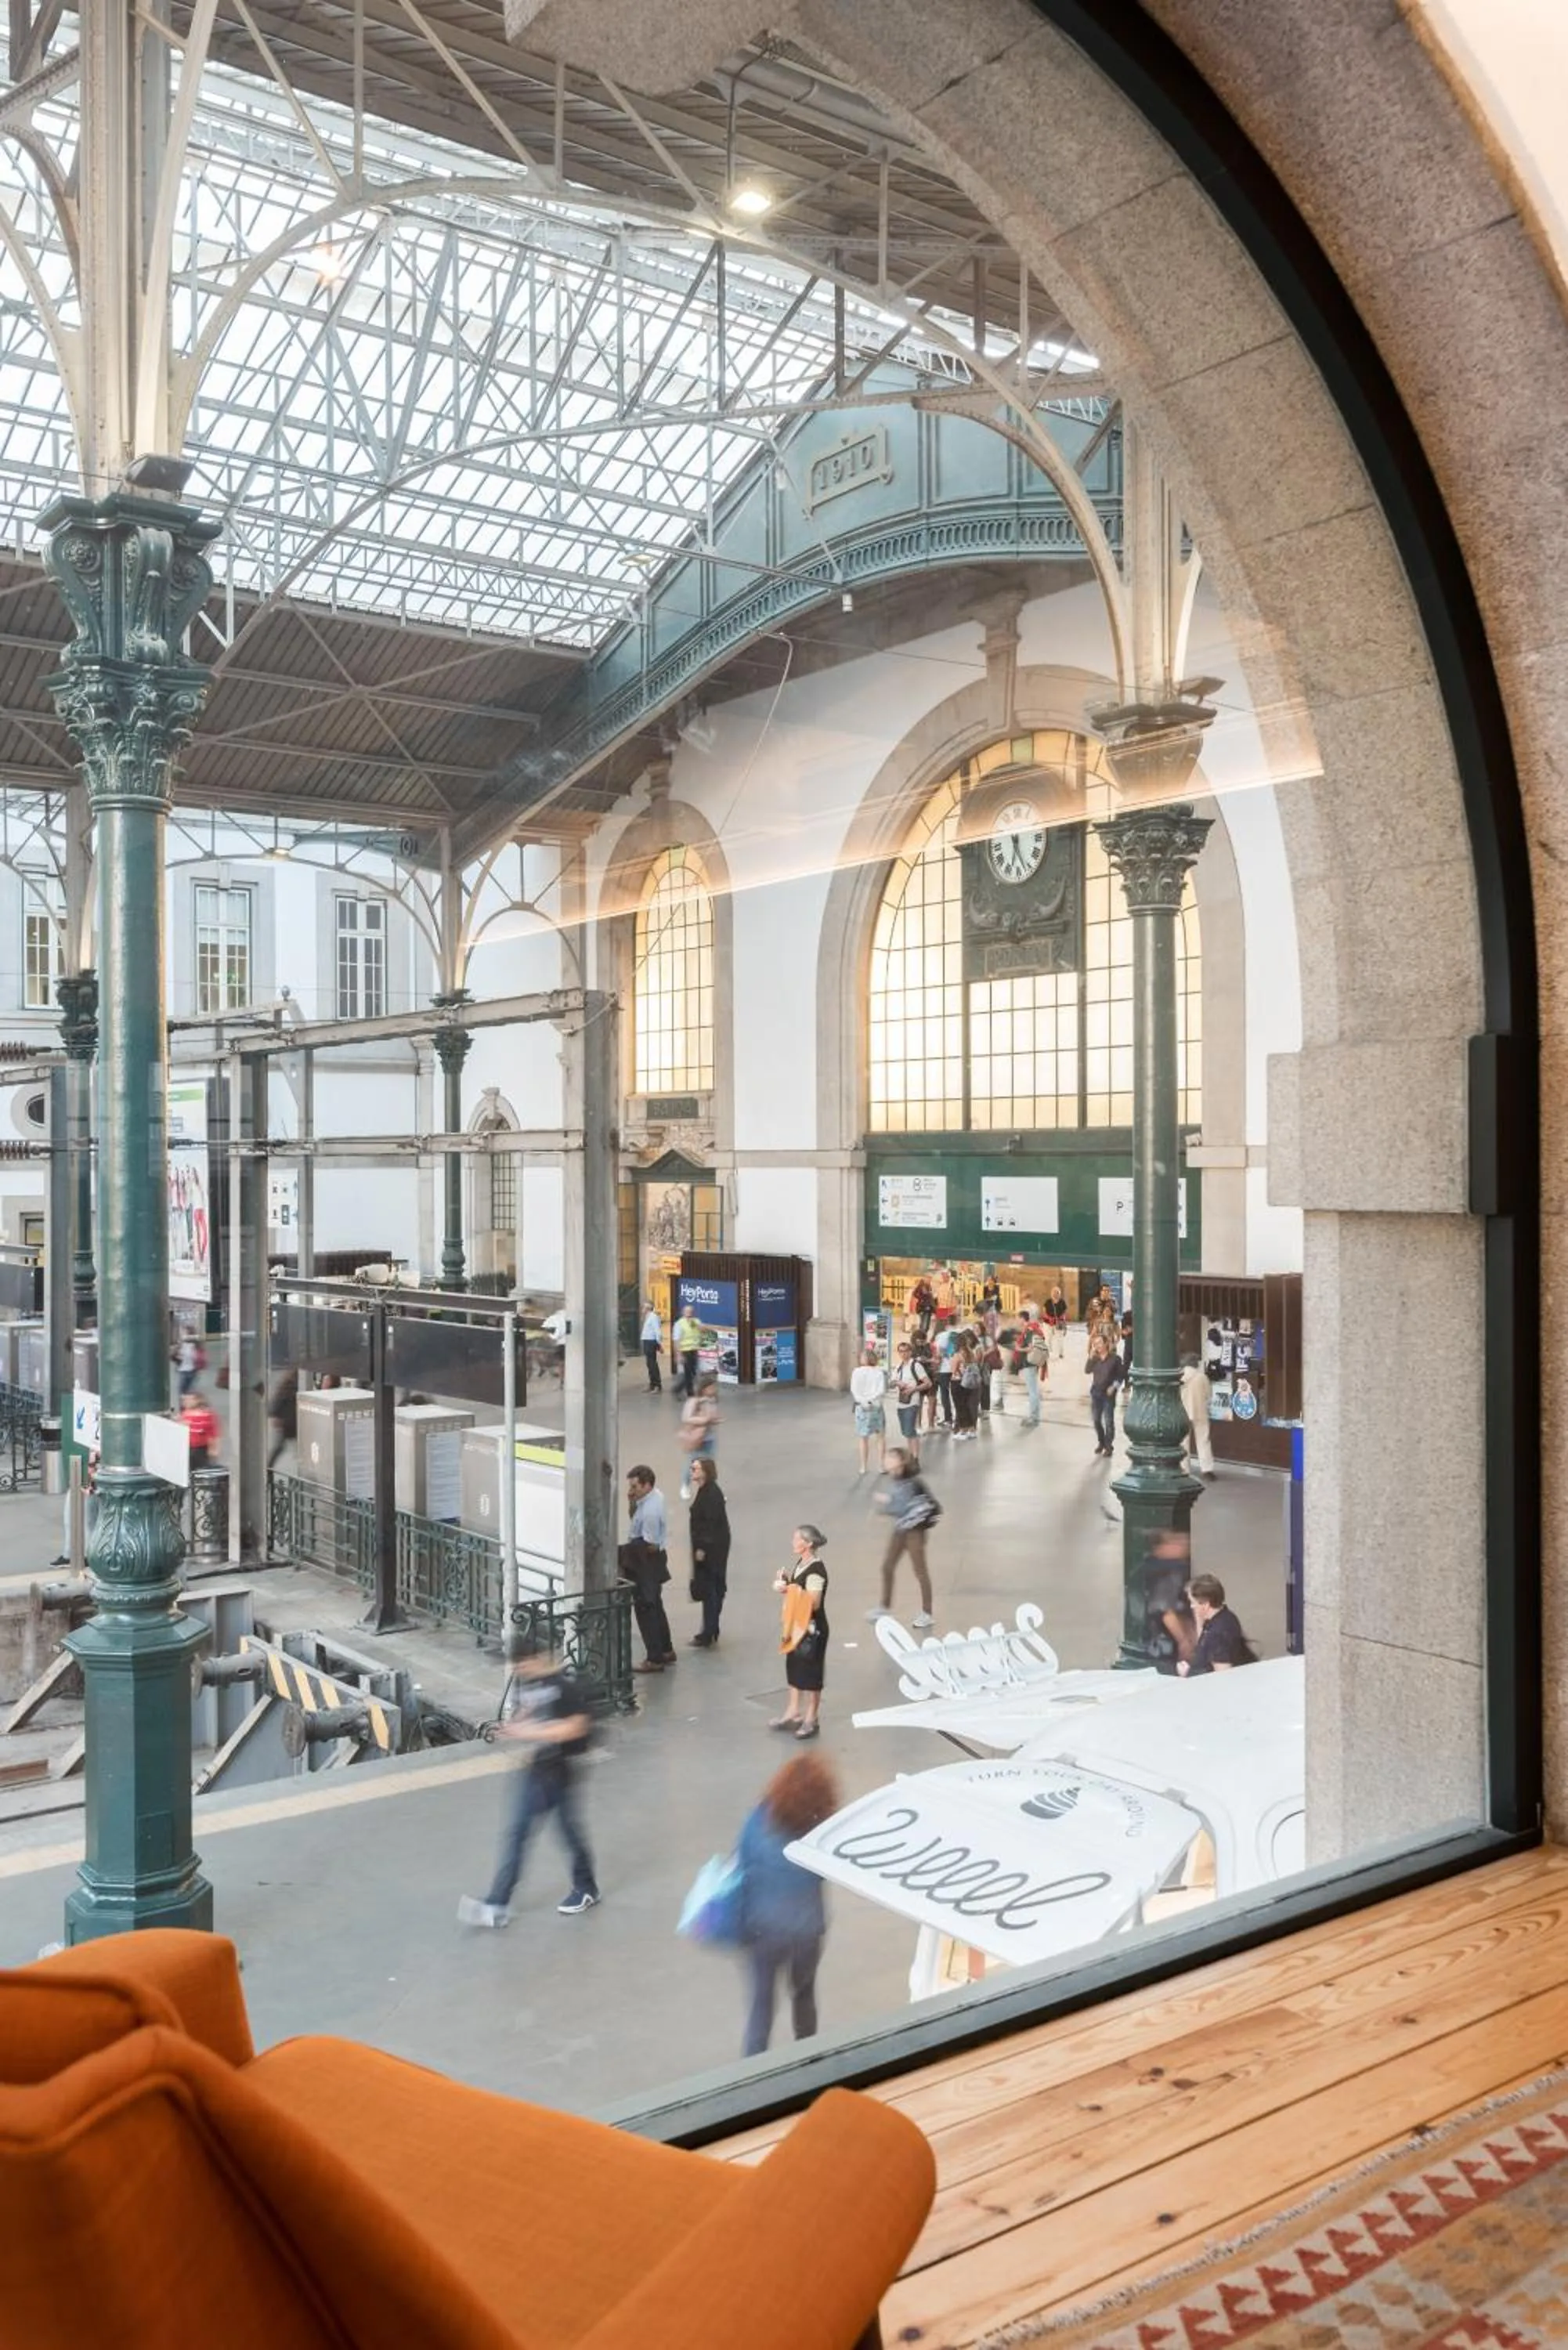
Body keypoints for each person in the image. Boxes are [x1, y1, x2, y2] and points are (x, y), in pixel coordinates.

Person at [457, 1630, 600, 1926]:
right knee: (520, 1833)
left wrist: (528, 1732)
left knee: (565, 1832)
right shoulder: (529, 1680)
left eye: (523, 1666)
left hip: (562, 1767)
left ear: (536, 1659)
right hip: (539, 1767)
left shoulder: (566, 1687)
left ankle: (585, 1888)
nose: (520, 1673)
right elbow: (529, 1707)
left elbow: (573, 1729)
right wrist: (512, 1726)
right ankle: (498, 1904)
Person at [733, 1755, 840, 2057]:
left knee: (761, 2007)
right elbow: (824, 1873)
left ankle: (752, 2073)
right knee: (804, 1995)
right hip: (806, 1932)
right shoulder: (820, 1832)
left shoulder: (758, 1819)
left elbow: (741, 1866)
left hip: (761, 1929)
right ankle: (807, 2059)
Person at [870, 1445, 938, 1626]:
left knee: (920, 1571)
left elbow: (901, 1507)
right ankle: (884, 1607)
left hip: (915, 1532)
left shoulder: (909, 1483)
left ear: (900, 1462)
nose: (886, 1461)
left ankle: (927, 1612)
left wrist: (885, 1504)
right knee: (887, 1566)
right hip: (902, 1529)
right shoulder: (896, 1478)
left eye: (890, 1458)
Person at [771, 1524, 829, 1737]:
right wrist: (789, 1582)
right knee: (794, 1666)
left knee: (812, 1672)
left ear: (808, 1544)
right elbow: (799, 1591)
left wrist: (789, 1589)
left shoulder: (816, 1571)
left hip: (812, 1629)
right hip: (797, 1626)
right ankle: (793, 1711)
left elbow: (813, 1602)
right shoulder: (802, 1564)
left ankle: (811, 1716)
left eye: (797, 1539)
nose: (793, 1543)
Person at [619, 1464, 676, 1673]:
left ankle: (655, 1658)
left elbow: (649, 1544)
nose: (632, 1490)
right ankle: (666, 1649)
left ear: (647, 1485)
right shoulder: (652, 1497)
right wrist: (632, 1503)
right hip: (652, 1560)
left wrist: (625, 1551)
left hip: (646, 1563)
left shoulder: (650, 1511)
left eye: (635, 1486)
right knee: (657, 1606)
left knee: (646, 1608)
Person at [687, 1455, 731, 1647]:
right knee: (712, 1587)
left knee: (711, 1587)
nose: (692, 1471)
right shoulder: (706, 1491)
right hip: (713, 1547)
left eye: (695, 1468)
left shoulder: (711, 1494)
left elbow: (711, 1524)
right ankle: (711, 1628)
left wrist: (702, 1547)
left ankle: (709, 1630)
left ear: (705, 1472)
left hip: (712, 1549)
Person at [1180, 1574, 1256, 1673]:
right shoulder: (1224, 1617)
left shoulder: (1218, 1634)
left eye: (1193, 1602)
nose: (1191, 1606)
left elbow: (1223, 1674)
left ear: (1206, 1605)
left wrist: (1188, 1674)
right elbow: (1203, 1645)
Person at [677, 1373, 721, 1501]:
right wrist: (704, 1420)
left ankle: (711, 1491)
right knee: (693, 1464)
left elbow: (713, 1416)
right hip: (697, 1439)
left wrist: (715, 1419)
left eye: (714, 1388)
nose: (713, 1390)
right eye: (711, 1388)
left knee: (709, 1465)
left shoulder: (712, 1401)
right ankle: (685, 1486)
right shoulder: (694, 1401)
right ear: (703, 1389)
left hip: (709, 1438)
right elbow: (686, 1418)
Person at [849, 1346, 887, 1475]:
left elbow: (854, 1390)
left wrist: (864, 1401)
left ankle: (863, 1466)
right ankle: (881, 1466)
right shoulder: (879, 1372)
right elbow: (881, 1390)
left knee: (863, 1438)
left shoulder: (856, 1372)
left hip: (861, 1407)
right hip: (876, 1406)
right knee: (880, 1437)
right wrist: (871, 1400)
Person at [891, 1339, 931, 1459]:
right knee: (906, 1432)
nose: (903, 1354)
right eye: (901, 1351)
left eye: (906, 1351)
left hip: (912, 1402)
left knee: (910, 1431)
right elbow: (892, 1383)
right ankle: (911, 1456)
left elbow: (928, 1383)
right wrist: (898, 1382)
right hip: (900, 1402)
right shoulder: (898, 1366)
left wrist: (913, 1389)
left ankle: (915, 1457)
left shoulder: (916, 1366)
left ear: (910, 1352)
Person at [1087, 1329, 1125, 1457]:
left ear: (1106, 1344)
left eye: (1099, 1343)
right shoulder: (1095, 1358)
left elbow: (1121, 1376)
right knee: (1097, 1420)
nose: (1097, 1346)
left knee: (1109, 1421)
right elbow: (1087, 1370)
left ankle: (1109, 1446)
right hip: (1096, 1393)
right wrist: (1090, 1358)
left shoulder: (1115, 1359)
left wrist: (1114, 1387)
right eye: (1095, 1344)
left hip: (1108, 1394)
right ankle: (1101, 1442)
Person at [1181, 1352, 1216, 1479]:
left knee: (1183, 1441)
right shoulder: (1202, 1377)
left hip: (1183, 1412)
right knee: (1203, 1440)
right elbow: (1208, 1394)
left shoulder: (1179, 1377)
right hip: (1200, 1412)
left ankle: (1184, 1468)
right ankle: (1207, 1469)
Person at [179, 1385, 219, 1470]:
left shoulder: (206, 1415)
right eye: (184, 1400)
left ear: (197, 1400)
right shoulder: (185, 1414)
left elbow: (212, 1433)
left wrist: (213, 1449)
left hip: (200, 1448)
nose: (185, 1402)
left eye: (188, 1400)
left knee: (199, 1468)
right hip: (187, 1447)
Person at [1021, 1315, 1050, 1430]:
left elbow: (1029, 1348)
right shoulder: (1038, 1331)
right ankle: (1035, 1416)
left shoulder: (1029, 1331)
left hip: (1029, 1363)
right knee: (1034, 1390)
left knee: (1032, 1391)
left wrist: (1017, 1348)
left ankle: (1033, 1417)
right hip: (1035, 1363)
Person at [952, 1336, 982, 1439]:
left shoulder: (957, 1355)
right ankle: (971, 1430)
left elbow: (953, 1370)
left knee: (960, 1407)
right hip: (968, 1383)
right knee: (966, 1407)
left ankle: (963, 1430)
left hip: (957, 1382)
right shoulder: (971, 1354)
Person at [673, 1303, 703, 1398]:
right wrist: (678, 1354)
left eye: (691, 1311)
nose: (689, 1313)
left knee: (693, 1373)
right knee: (688, 1372)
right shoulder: (679, 1324)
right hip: (685, 1351)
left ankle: (678, 1389)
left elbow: (703, 1330)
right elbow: (676, 1340)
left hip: (694, 1350)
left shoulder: (697, 1321)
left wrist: (698, 1326)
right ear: (683, 1313)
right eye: (687, 1312)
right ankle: (690, 1393)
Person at [639, 1300, 663, 1393]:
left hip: (651, 1342)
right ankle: (652, 1384)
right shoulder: (647, 1317)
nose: (642, 1309)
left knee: (652, 1364)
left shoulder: (653, 1317)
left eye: (644, 1307)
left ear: (648, 1308)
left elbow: (657, 1331)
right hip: (647, 1341)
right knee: (649, 1364)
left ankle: (657, 1385)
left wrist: (659, 1344)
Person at [1046, 1284, 1068, 1358]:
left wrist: (1062, 1319)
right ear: (1051, 1293)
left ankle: (1060, 1353)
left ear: (1059, 1294)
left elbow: (1065, 1312)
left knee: (1060, 1338)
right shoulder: (1048, 1301)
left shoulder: (1062, 1302)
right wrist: (1049, 1318)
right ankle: (1048, 1352)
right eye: (1054, 1292)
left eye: (1057, 1292)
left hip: (1059, 1323)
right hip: (1048, 1323)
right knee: (1048, 1338)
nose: (1055, 1294)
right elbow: (1044, 1311)